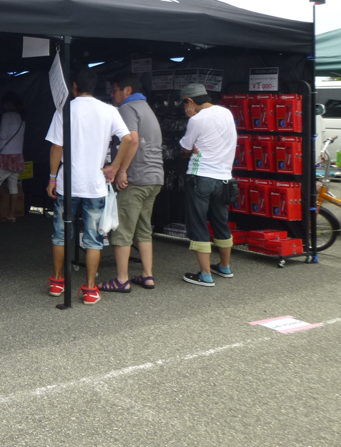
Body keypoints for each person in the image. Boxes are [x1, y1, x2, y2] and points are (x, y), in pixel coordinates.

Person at [45, 68, 135, 305]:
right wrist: (114, 167)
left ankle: (57, 282)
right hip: (95, 184)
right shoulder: (109, 110)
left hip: (67, 183)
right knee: (93, 239)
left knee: (60, 235)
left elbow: (56, 147)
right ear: (95, 87)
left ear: (74, 86)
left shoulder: (64, 110)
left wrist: (52, 178)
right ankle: (90, 288)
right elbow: (128, 138)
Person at [98, 74, 163, 293]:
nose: (111, 94)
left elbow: (132, 139)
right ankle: (147, 275)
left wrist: (121, 169)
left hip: (136, 177)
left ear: (127, 90)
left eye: (114, 89)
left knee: (122, 230)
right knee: (144, 228)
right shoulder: (147, 108)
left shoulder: (128, 108)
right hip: (155, 177)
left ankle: (122, 280)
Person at [179, 83, 237, 286]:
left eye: (185, 104)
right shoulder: (226, 113)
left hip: (200, 177)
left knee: (198, 224)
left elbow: (186, 147)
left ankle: (205, 274)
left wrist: (191, 122)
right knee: (221, 222)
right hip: (224, 178)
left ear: (190, 101)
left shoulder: (196, 119)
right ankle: (225, 266)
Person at [0, 92, 26, 224]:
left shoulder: (7, 116)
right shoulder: (22, 117)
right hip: (18, 155)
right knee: (13, 185)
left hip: (6, 155)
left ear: (6, 104)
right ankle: (11, 215)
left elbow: (4, 135)